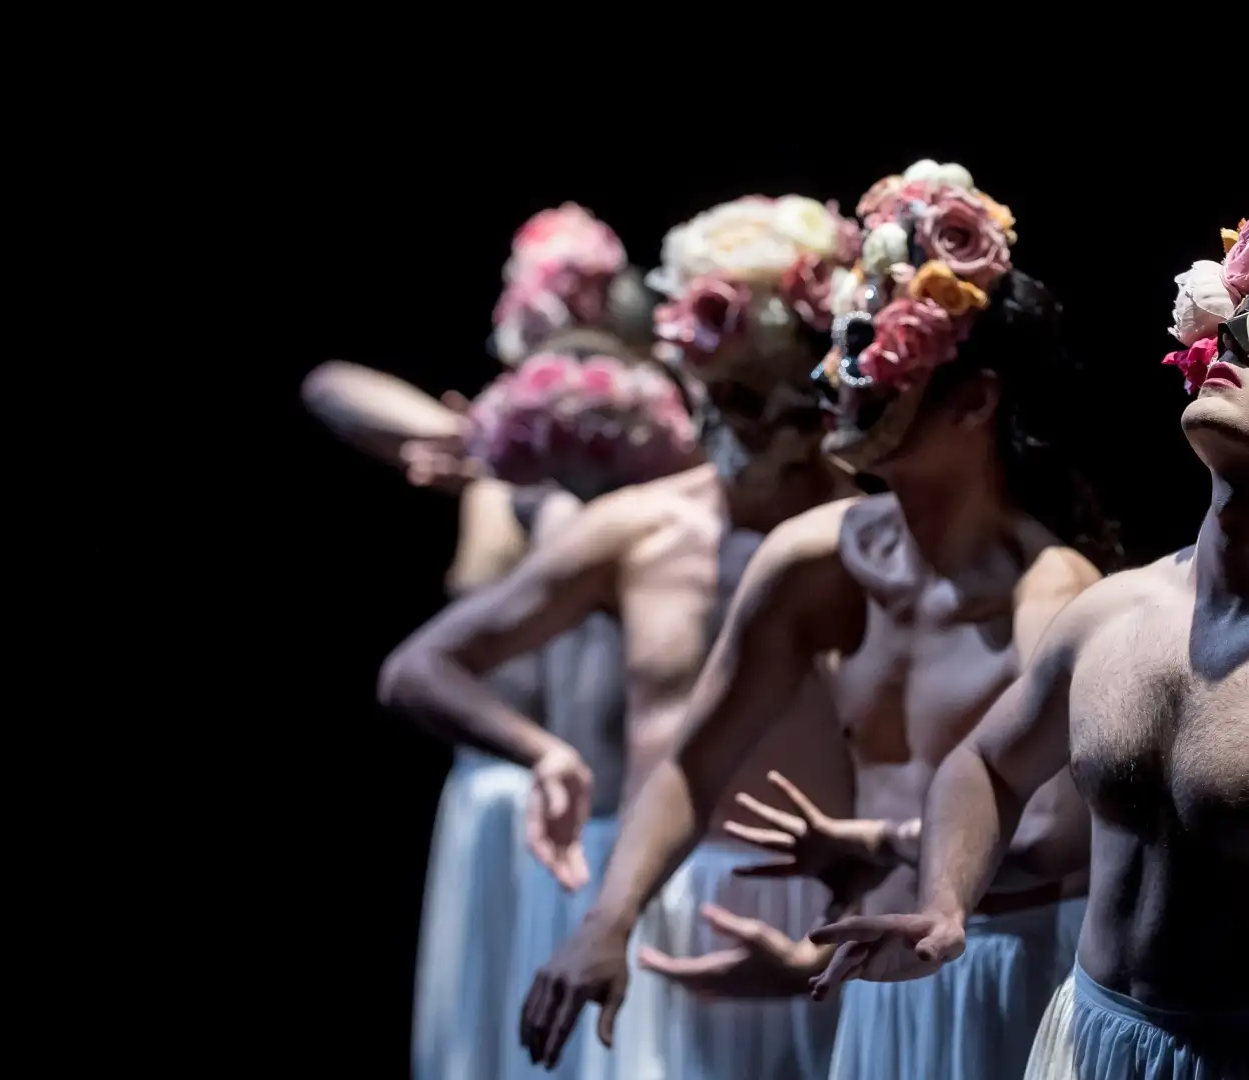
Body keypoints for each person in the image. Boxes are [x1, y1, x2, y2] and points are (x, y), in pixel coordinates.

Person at [809, 145, 1249, 1078]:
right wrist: (945, 901)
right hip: (1075, 1040)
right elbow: (984, 765)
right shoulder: (1113, 614)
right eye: (1232, 323)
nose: (1227, 354)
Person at [519, 160, 1116, 1080]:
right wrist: (608, 920)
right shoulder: (816, 557)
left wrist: (882, 847)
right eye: (841, 342)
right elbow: (696, 759)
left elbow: (1062, 830)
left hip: (1004, 967)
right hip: (877, 961)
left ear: (975, 400)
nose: (834, 377)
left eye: (876, 351)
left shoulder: (1050, 591)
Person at [384, 193, 864, 1080]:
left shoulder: (877, 534)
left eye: (770, 401)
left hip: (844, 903)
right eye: (717, 394)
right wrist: (542, 754)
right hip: (665, 897)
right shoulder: (643, 530)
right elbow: (421, 667)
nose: (740, 423)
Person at [309, 202, 685, 1080]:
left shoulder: (645, 502)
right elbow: (329, 386)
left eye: (589, 369)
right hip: (493, 797)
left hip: (597, 801)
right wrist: (471, 437)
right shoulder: (489, 469)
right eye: (551, 367)